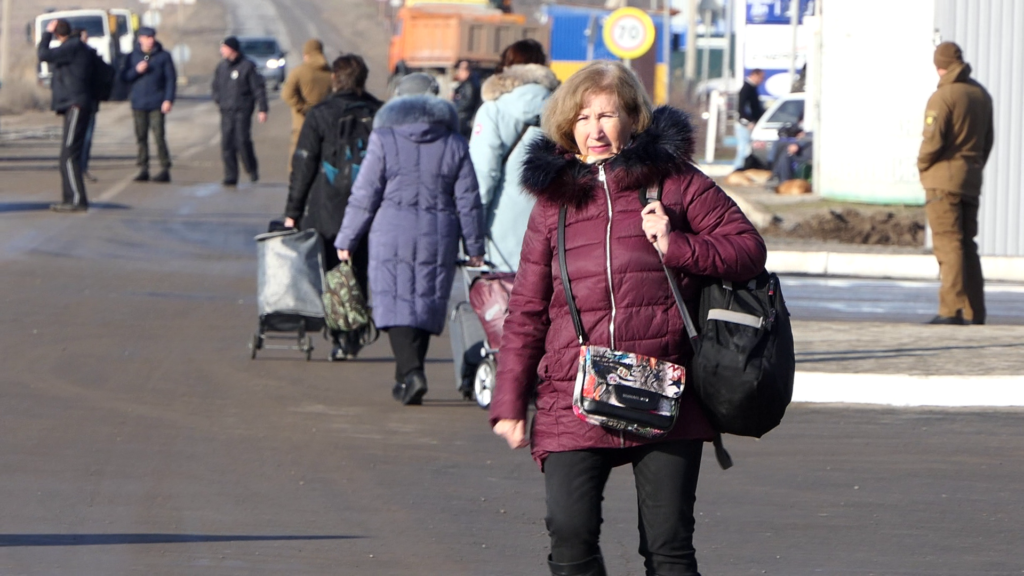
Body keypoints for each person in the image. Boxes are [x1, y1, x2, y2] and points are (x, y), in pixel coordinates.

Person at [490, 61, 766, 575]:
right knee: (569, 541)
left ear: (632, 118)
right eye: (582, 117)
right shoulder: (553, 204)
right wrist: (508, 400)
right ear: (566, 126)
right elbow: (526, 308)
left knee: (669, 551)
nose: (594, 129)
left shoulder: (676, 183)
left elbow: (748, 249)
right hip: (572, 393)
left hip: (666, 388)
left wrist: (676, 244)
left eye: (607, 115)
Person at [334, 73, 485, 406]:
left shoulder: (384, 138)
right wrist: (475, 247)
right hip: (438, 233)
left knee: (395, 301)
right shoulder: (453, 141)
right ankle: (406, 376)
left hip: (391, 231)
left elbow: (365, 193)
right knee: (424, 301)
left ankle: (412, 372)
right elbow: (469, 199)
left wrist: (347, 238)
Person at [284, 54, 383, 361]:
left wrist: (293, 210)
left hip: (328, 208)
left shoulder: (320, 114)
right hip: (370, 208)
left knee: (332, 273)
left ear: (335, 79)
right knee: (360, 269)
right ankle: (354, 331)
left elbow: (304, 163)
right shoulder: (379, 112)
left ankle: (341, 334)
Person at [918, 42, 994, 326]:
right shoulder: (980, 94)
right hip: (971, 178)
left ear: (940, 65)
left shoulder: (943, 96)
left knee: (948, 245)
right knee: (967, 244)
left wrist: (923, 165)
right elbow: (987, 141)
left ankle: (950, 309)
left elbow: (932, 141)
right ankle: (976, 310)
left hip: (942, 180)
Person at [469, 39, 558, 272]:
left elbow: (483, 174)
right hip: (553, 230)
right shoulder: (563, 110)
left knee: (502, 303)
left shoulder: (493, 109)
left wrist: (472, 231)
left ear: (505, 67)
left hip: (501, 230)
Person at [37, 18, 96, 213]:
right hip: (77, 104)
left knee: (69, 156)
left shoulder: (72, 47)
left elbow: (43, 54)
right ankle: (70, 198)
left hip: (76, 105)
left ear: (57, 34)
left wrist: (46, 33)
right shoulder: (76, 48)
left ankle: (77, 200)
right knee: (68, 155)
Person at [121, 26, 177, 183]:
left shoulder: (163, 56)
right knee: (141, 136)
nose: (150, 40)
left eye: (152, 37)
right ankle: (143, 167)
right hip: (139, 102)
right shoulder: (132, 56)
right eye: (147, 37)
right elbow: (124, 77)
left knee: (159, 135)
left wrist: (168, 99)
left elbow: (171, 80)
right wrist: (136, 70)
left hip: (157, 102)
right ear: (140, 39)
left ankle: (165, 168)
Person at [212, 36, 268, 186]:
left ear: (232, 49)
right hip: (226, 111)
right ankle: (231, 175)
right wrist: (219, 99)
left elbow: (258, 89)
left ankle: (251, 169)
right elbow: (215, 86)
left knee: (242, 141)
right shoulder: (221, 67)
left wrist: (262, 109)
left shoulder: (247, 66)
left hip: (242, 110)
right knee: (227, 144)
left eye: (224, 48)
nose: (221, 51)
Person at [281, 39, 333, 169]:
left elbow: (286, 94)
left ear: (307, 54)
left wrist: (303, 107)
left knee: (298, 161)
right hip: (325, 124)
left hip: (302, 123)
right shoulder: (331, 73)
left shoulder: (299, 72)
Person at [74, 29, 101, 184]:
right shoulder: (70, 56)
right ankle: (75, 167)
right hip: (75, 103)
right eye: (85, 36)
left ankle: (82, 166)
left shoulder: (92, 55)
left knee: (87, 137)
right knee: (76, 137)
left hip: (89, 102)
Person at [733, 68, 765, 171]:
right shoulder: (746, 88)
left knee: (747, 147)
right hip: (745, 124)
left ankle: (741, 168)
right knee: (744, 147)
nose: (761, 80)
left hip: (749, 123)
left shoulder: (752, 88)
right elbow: (741, 108)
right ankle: (738, 168)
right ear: (754, 75)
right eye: (760, 78)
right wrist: (748, 122)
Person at [451, 59, 481, 138]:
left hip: (464, 119)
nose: (459, 72)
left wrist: (454, 109)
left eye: (462, 69)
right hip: (463, 118)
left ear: (468, 71)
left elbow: (468, 102)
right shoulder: (464, 84)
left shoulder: (469, 85)